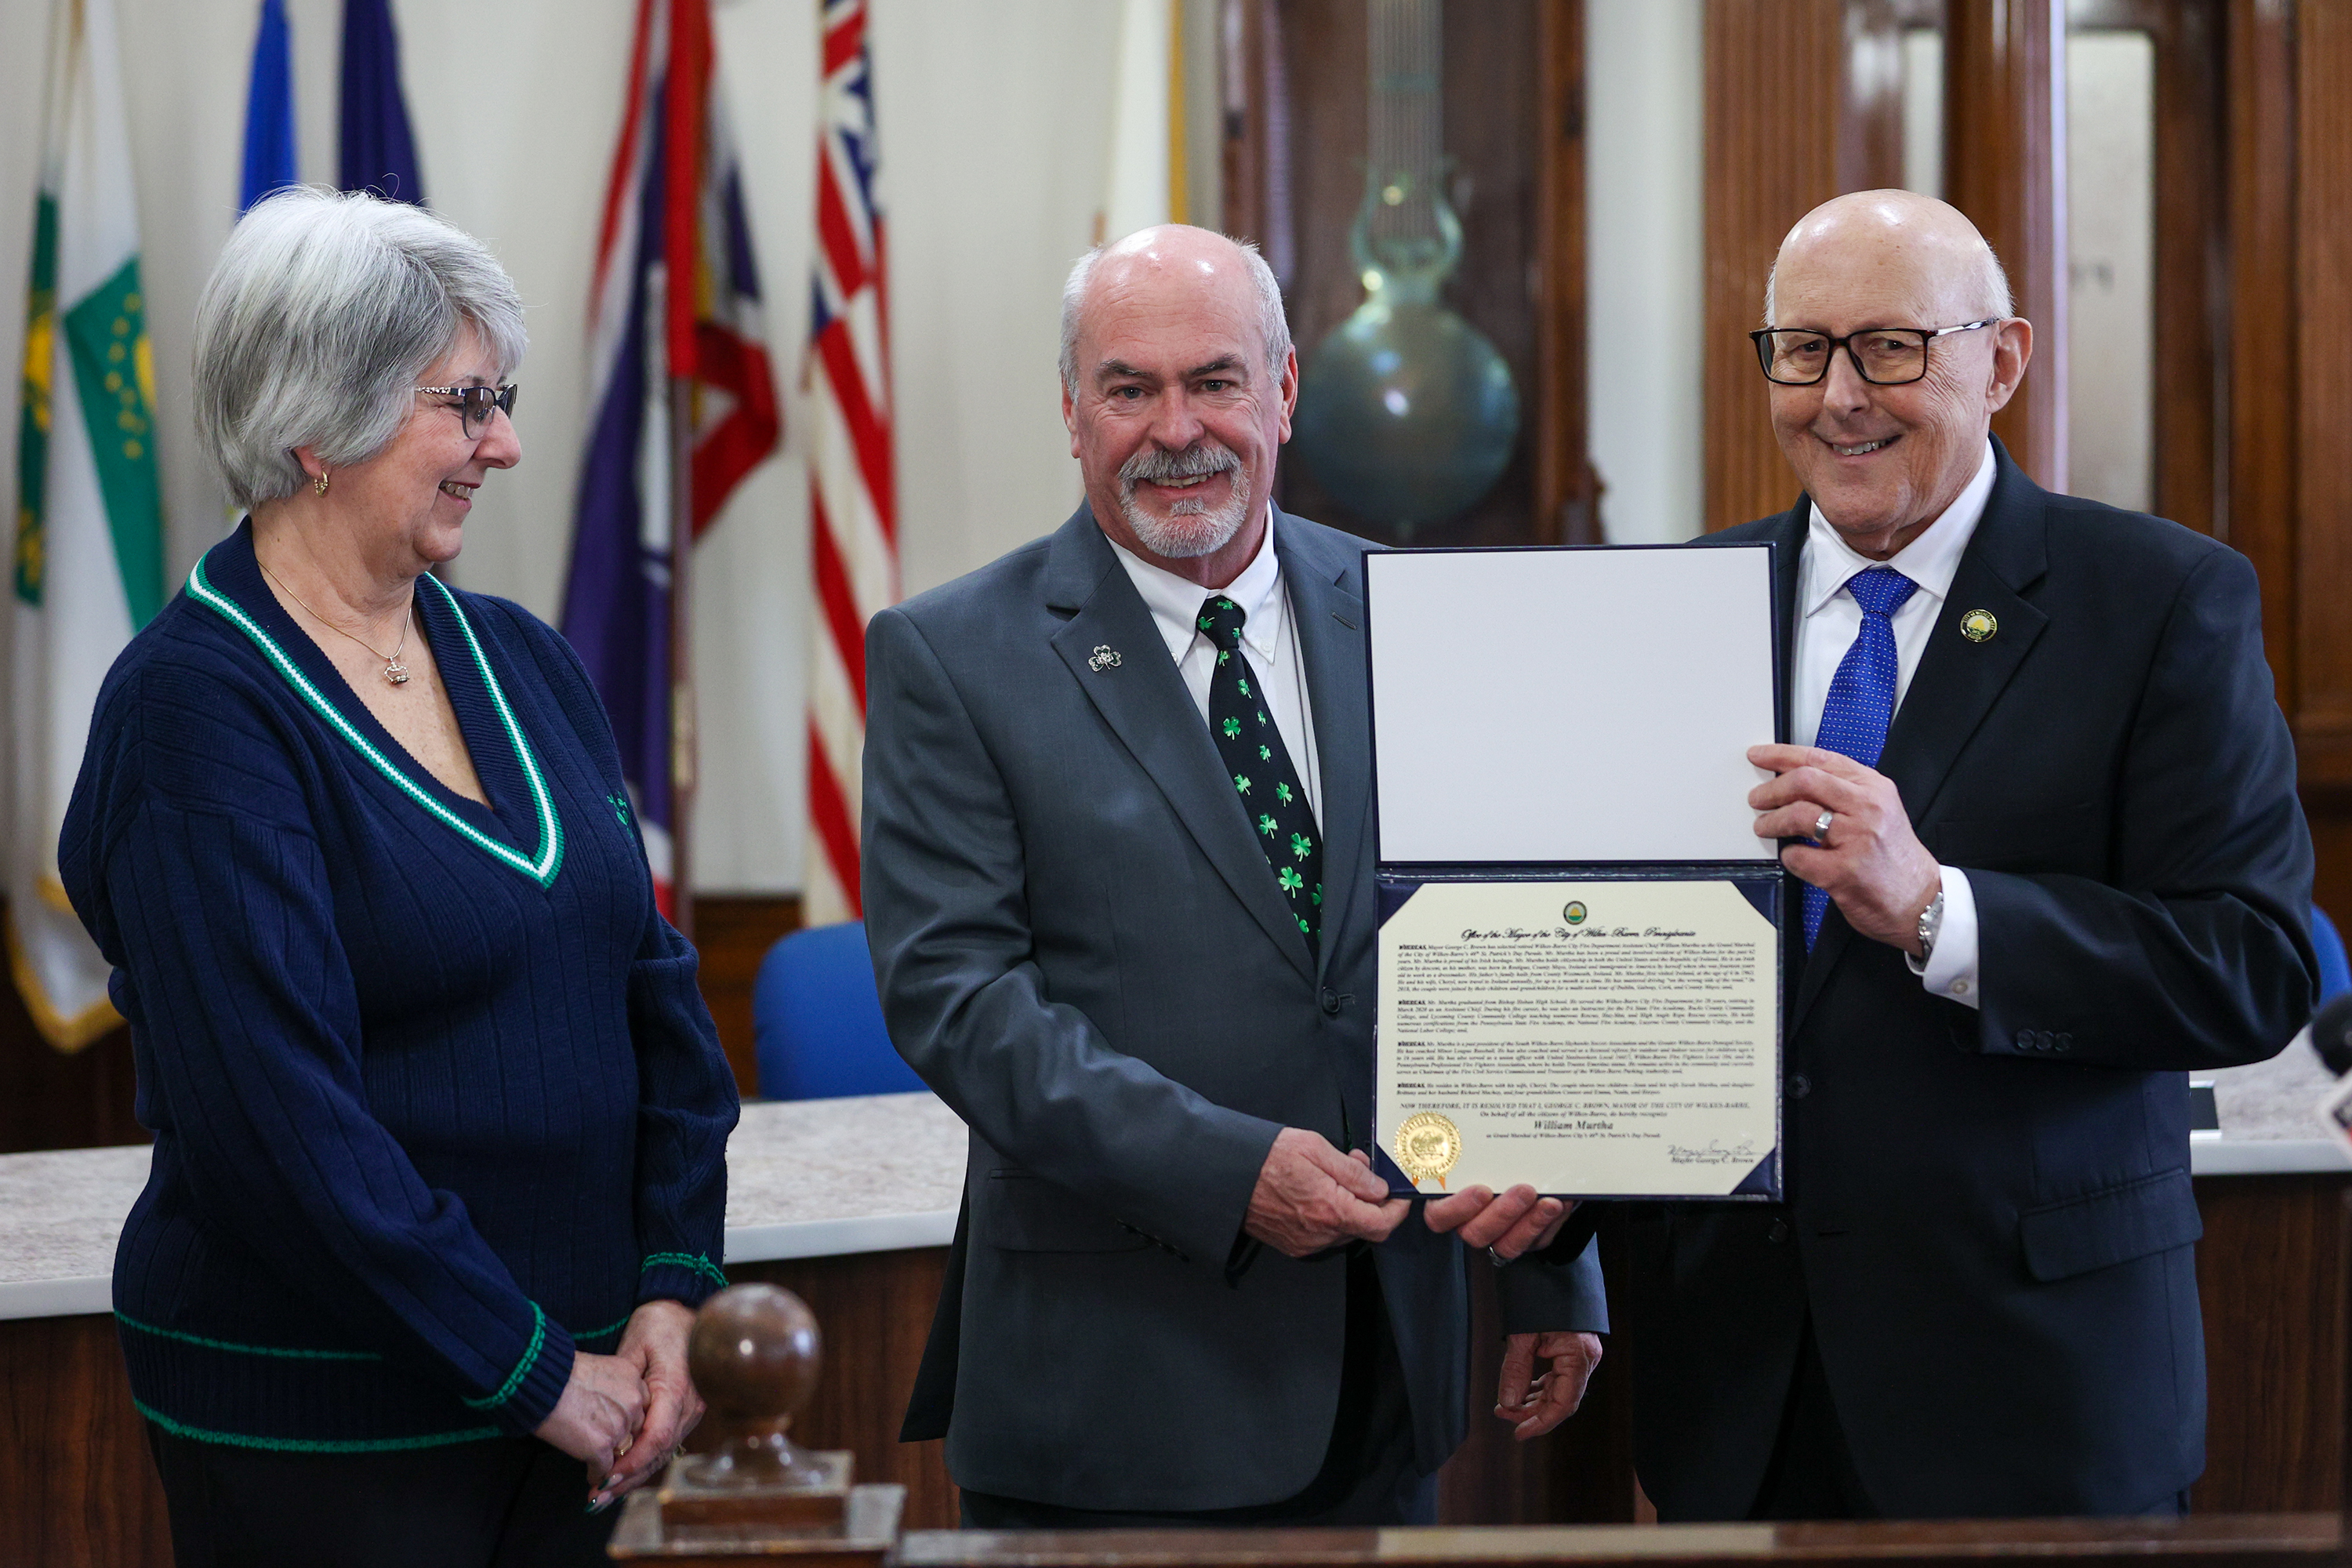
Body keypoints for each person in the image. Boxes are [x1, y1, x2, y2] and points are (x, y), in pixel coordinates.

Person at [860, 224, 1608, 1527]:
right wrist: (1224, 1171)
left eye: (1213, 380)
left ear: (1285, 391)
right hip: (1115, 1390)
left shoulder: (1419, 613)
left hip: (1389, 1375)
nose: (1175, 428)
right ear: (1072, 412)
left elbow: (1511, 940)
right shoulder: (953, 656)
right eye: (1128, 388)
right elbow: (957, 1000)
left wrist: (1553, 1278)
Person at [58, 188, 740, 1567]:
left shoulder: (524, 657)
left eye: (504, 396)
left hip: (596, 1399)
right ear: (320, 424)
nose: (508, 441)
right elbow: (282, 1130)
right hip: (331, 1424)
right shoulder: (194, 713)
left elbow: (654, 992)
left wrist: (672, 1287)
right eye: (467, 403)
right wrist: (536, 1373)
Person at [1622, 189, 2316, 1521]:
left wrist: (1942, 910)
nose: (1838, 397)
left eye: (1889, 346)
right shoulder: (1679, 606)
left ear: (2000, 360)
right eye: (1802, 349)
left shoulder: (2162, 602)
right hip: (1737, 1393)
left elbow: (2255, 965)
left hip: (2032, 1392)